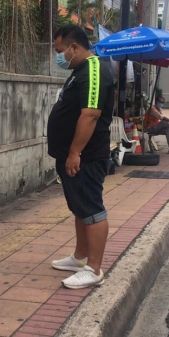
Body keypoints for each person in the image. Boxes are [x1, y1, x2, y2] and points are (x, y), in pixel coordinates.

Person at [46, 24, 114, 289]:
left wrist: (75, 152)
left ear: (74, 47)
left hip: (86, 156)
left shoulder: (94, 69)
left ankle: (94, 269)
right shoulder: (79, 71)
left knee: (91, 208)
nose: (59, 56)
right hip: (71, 156)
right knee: (80, 207)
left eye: (60, 51)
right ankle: (79, 257)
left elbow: (91, 115)